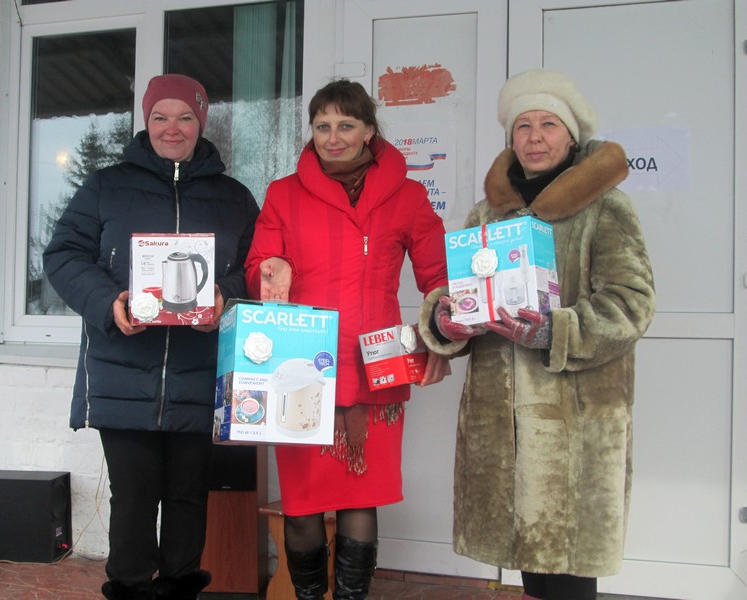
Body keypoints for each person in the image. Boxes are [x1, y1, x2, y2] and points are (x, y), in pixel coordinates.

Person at [418, 69, 656, 600]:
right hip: (500, 424)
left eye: (549, 124)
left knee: (568, 570)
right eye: (523, 126)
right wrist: (446, 321)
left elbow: (632, 303)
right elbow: (459, 295)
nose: (534, 137)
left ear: (571, 136)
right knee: (530, 566)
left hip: (576, 421)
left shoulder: (605, 207)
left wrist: (556, 330)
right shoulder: (486, 214)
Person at [43, 73, 259, 600]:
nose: (172, 128)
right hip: (122, 371)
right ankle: (131, 586)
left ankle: (181, 586)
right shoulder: (105, 186)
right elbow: (63, 255)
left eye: (185, 117)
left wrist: (225, 298)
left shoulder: (233, 198)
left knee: (189, 495)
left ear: (201, 123)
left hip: (200, 370)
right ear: (146, 121)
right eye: (160, 117)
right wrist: (107, 302)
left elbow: (256, 268)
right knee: (134, 496)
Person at [244, 79, 450, 600]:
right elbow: (259, 265)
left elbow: (438, 276)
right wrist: (267, 271)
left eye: (346, 125)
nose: (333, 138)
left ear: (369, 131)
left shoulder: (407, 197)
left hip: (376, 366)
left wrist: (443, 333)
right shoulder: (283, 194)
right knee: (302, 505)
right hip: (300, 368)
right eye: (322, 126)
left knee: (361, 499)